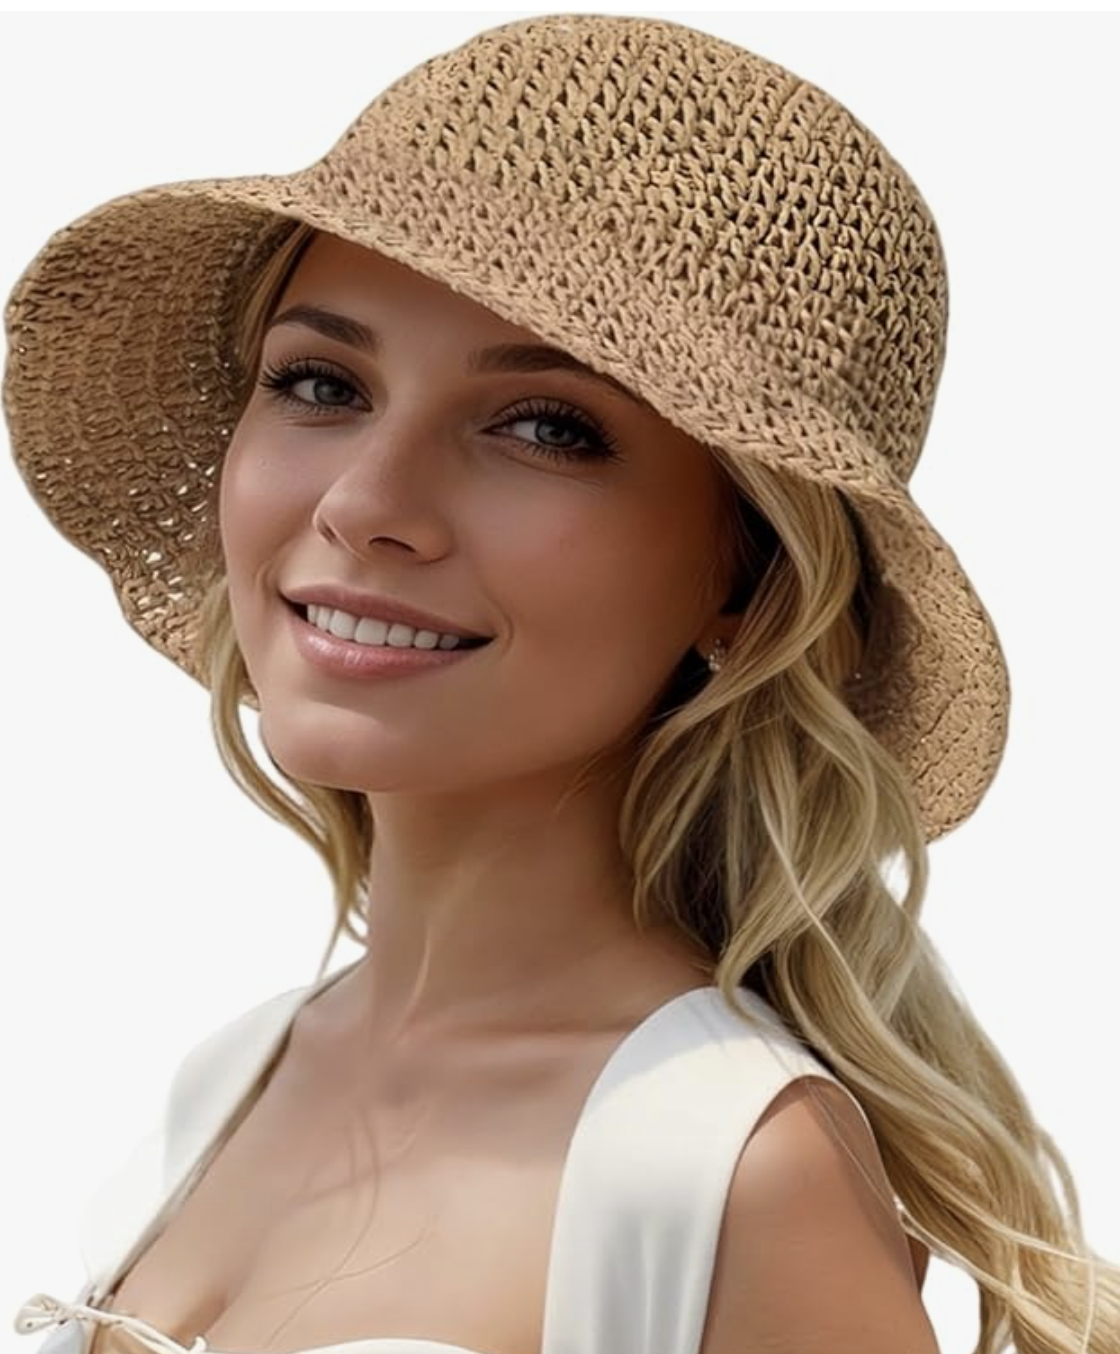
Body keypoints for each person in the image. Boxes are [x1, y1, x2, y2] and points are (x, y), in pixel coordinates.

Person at [5, 13, 1118, 1354]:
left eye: (545, 426)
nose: (364, 503)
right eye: (320, 383)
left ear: (752, 579)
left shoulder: (733, 1177)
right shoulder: (234, 1078)